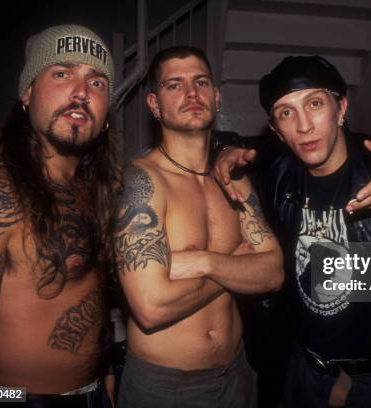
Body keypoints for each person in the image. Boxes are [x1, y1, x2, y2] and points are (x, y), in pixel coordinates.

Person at [215, 56, 371, 407]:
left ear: (341, 107)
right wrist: (223, 150)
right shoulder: (277, 177)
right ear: (275, 130)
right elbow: (225, 149)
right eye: (286, 113)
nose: (303, 126)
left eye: (314, 104)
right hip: (302, 368)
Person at [0, 25, 118, 406]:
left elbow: (92, 297)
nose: (80, 93)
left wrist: (105, 376)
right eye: (62, 74)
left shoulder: (97, 183)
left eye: (97, 83)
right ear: (27, 92)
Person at [114, 46, 283, 408]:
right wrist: (234, 263)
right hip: (167, 388)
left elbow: (273, 273)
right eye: (174, 85)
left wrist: (205, 261)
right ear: (155, 105)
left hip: (237, 373)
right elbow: (152, 306)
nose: (191, 93)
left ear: (216, 97)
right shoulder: (141, 182)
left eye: (200, 82)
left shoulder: (232, 177)